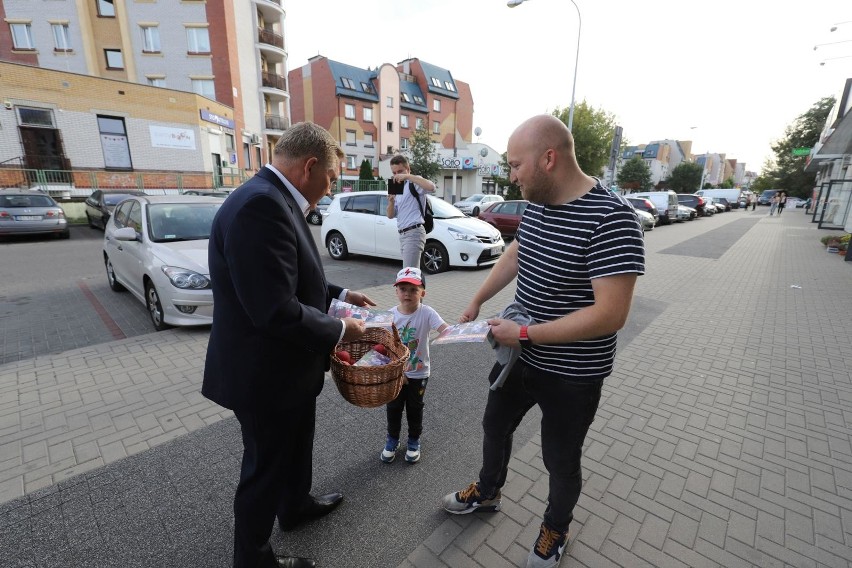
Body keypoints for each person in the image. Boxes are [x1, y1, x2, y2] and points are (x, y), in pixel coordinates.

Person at [440, 115, 645, 568]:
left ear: (548, 159)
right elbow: (517, 251)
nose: (512, 175)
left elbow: (611, 314)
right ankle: (488, 492)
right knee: (495, 426)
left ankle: (556, 528)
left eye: (516, 165)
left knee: (560, 458)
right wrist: (477, 299)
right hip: (519, 357)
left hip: (573, 373)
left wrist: (526, 333)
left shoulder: (613, 218)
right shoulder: (538, 202)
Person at [203, 121, 375, 568]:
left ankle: (295, 508)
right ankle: (253, 559)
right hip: (264, 375)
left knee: (297, 444)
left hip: (287, 371)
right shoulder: (260, 206)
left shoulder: (272, 197)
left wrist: (338, 295)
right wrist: (342, 330)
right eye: (332, 178)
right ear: (310, 166)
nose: (330, 187)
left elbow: (291, 272)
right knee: (264, 469)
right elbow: (274, 309)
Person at [380, 266, 449, 465]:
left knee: (414, 408)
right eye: (403, 289)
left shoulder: (427, 313)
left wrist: (460, 329)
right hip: (395, 374)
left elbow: (444, 329)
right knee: (393, 407)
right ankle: (392, 440)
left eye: (413, 289)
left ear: (423, 293)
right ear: (396, 292)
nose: (407, 293)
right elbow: (384, 345)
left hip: (419, 373)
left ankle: (413, 441)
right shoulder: (390, 315)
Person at [385, 155, 436, 268]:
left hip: (414, 232)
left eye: (400, 171)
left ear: (408, 169)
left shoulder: (413, 182)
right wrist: (391, 202)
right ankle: (419, 286)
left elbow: (431, 187)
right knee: (412, 274)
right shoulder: (395, 185)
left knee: (408, 273)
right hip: (402, 234)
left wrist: (408, 177)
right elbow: (390, 215)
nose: (397, 175)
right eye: (394, 173)